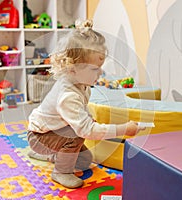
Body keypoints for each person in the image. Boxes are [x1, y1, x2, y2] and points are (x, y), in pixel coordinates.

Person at [27, 19, 145, 188]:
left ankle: (52, 156)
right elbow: (86, 130)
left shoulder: (82, 85)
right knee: (76, 135)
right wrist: (124, 129)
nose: (101, 72)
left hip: (51, 132)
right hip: (39, 137)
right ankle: (60, 172)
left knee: (84, 161)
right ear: (72, 69)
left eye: (100, 67)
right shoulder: (67, 95)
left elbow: (82, 113)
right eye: (94, 69)